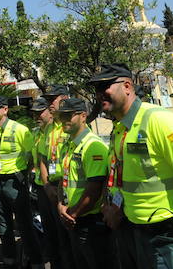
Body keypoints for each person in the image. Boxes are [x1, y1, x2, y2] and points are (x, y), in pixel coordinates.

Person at [90, 63, 173, 269]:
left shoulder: (159, 121)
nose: (100, 94)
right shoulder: (119, 129)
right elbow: (128, 181)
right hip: (138, 234)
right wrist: (114, 208)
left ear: (127, 86)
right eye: (96, 89)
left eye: (105, 85)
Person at [0, 95, 43, 269]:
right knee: (3, 227)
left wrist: (24, 174)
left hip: (15, 183)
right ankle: (10, 261)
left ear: (5, 110)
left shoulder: (19, 130)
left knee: (25, 226)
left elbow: (32, 155)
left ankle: (36, 262)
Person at [55, 97, 110, 269]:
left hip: (89, 222)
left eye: (68, 116)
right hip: (73, 218)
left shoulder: (93, 146)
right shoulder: (70, 145)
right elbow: (64, 180)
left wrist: (73, 214)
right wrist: (60, 205)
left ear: (83, 116)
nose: (64, 121)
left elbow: (94, 190)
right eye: (61, 116)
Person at [39, 85, 72, 269]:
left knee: (69, 240)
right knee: (54, 238)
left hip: (67, 187)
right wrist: (46, 185)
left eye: (54, 99)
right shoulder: (49, 128)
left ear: (64, 98)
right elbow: (43, 159)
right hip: (50, 188)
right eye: (48, 99)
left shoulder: (71, 124)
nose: (49, 103)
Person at [29, 96, 58, 266]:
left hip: (56, 187)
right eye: (34, 114)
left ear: (49, 112)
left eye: (40, 113)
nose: (37, 117)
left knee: (61, 234)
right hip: (41, 188)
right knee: (50, 233)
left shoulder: (59, 130)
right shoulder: (35, 134)